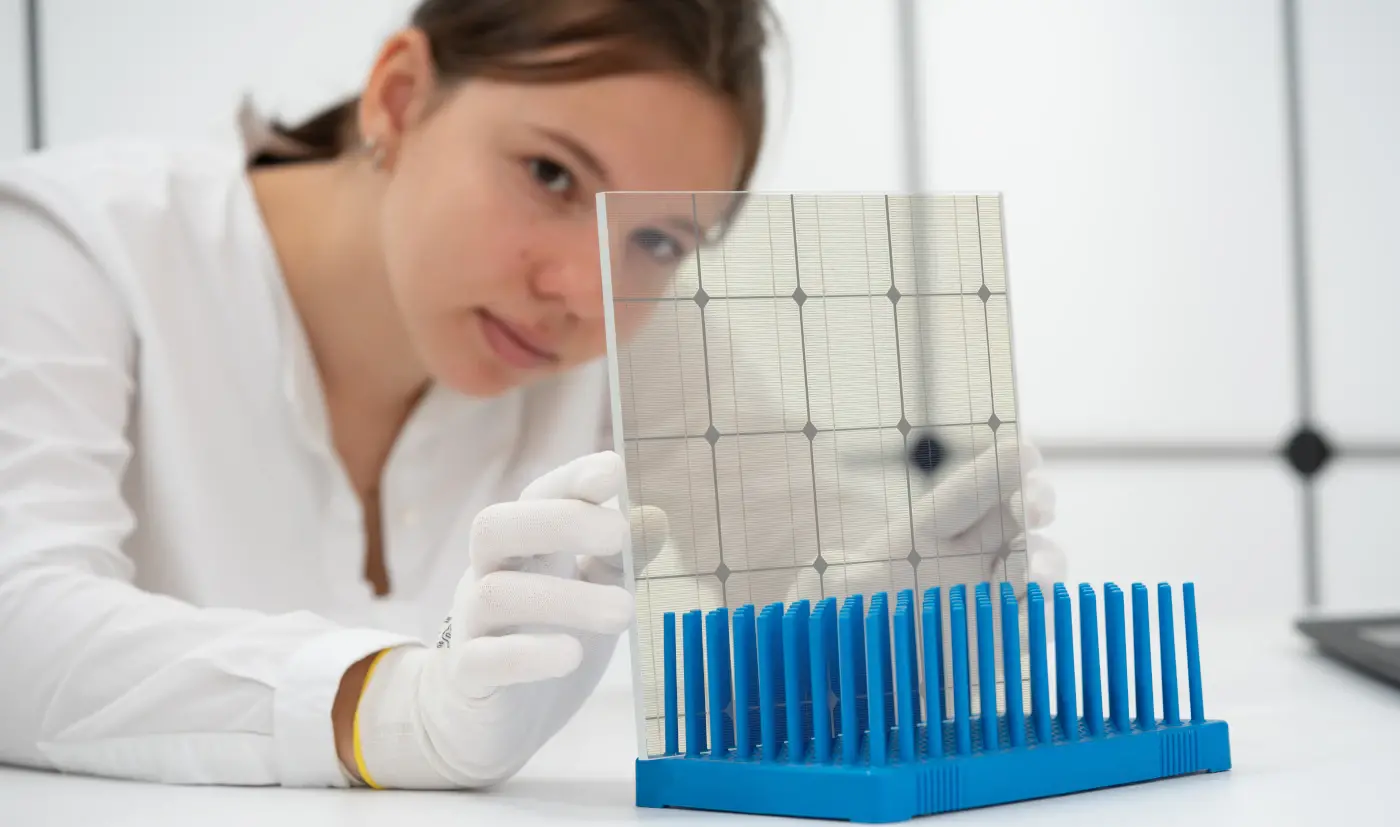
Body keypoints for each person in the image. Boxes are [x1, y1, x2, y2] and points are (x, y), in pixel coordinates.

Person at [0, 0, 1064, 792]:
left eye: (655, 236)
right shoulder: (75, 247)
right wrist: (381, 706)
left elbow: (802, 555)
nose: (576, 288)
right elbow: (16, 621)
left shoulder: (627, 325)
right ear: (398, 98)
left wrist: (910, 625)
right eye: (550, 175)